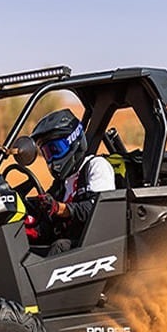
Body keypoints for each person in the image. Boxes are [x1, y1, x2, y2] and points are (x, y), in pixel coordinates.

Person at [25, 108, 115, 254]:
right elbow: (48, 208)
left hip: (93, 243)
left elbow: (98, 209)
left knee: (59, 247)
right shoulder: (63, 181)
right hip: (69, 242)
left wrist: (60, 208)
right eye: (47, 153)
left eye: (56, 150)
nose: (52, 159)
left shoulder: (96, 166)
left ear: (74, 141)